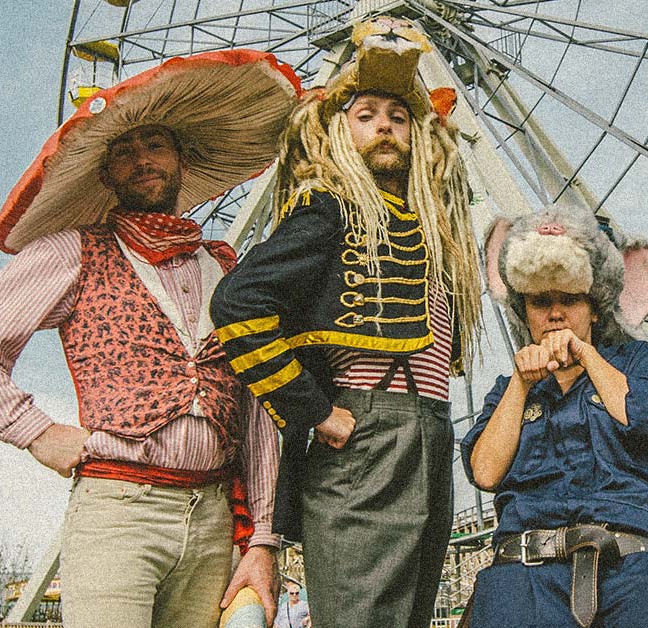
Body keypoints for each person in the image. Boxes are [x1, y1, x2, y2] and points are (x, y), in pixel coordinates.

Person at [0, 50, 301, 628]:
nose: (140, 161)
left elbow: (258, 408)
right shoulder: (72, 251)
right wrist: (34, 430)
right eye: (122, 153)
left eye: (153, 145)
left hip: (213, 518)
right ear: (107, 176)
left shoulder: (227, 269)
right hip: (120, 508)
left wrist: (264, 537)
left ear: (182, 159)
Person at [209, 16, 482, 628]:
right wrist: (316, 412)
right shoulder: (327, 209)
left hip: (430, 433)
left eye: (398, 115)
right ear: (336, 132)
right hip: (366, 433)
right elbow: (236, 303)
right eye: (365, 114)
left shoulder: (433, 228)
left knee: (412, 615)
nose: (384, 124)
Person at [462, 205, 648, 627]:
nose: (555, 314)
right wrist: (521, 385)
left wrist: (586, 354)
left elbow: (640, 417)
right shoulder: (508, 388)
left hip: (628, 567)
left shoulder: (635, 361)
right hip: (526, 574)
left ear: (594, 307)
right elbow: (484, 471)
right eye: (540, 302)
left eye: (570, 300)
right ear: (525, 311)